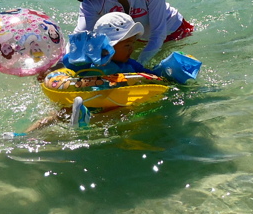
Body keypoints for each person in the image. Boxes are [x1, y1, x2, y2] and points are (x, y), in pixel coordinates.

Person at [23, 13, 161, 134]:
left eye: (132, 43)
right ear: (109, 45)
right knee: (57, 114)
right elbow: (61, 68)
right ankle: (27, 134)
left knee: (122, 110)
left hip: (111, 100)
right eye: (127, 45)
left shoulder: (130, 65)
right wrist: (47, 72)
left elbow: (151, 76)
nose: (132, 48)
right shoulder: (83, 60)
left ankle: (85, 120)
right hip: (84, 97)